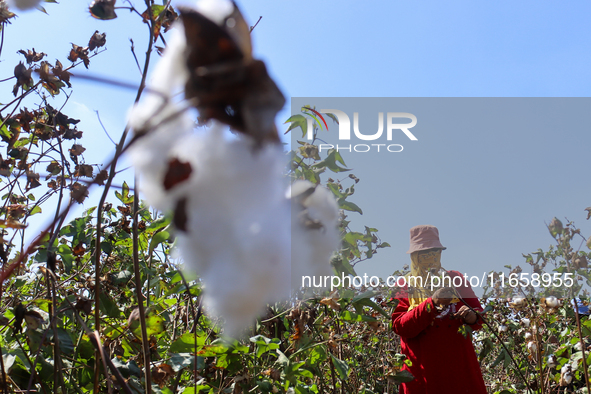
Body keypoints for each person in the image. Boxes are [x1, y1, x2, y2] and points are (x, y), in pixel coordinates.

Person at [391, 225, 488, 394]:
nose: (430, 257)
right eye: (424, 253)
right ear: (414, 257)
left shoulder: (455, 279)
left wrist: (471, 317)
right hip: (423, 372)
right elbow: (400, 326)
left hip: (459, 370)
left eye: (434, 251)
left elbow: (480, 315)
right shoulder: (404, 285)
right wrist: (432, 304)